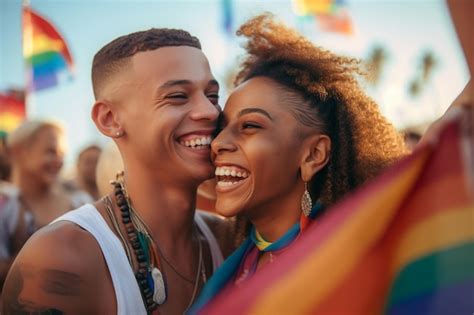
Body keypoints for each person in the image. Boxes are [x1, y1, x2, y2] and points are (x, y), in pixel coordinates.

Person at [2, 29, 235, 314]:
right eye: (177, 96)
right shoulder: (62, 256)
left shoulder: (229, 241)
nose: (210, 111)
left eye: (212, 95)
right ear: (110, 119)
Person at [190, 13, 407, 311]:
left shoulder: (346, 262)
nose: (217, 143)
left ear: (313, 155)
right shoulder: (237, 259)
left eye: (250, 126)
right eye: (222, 128)